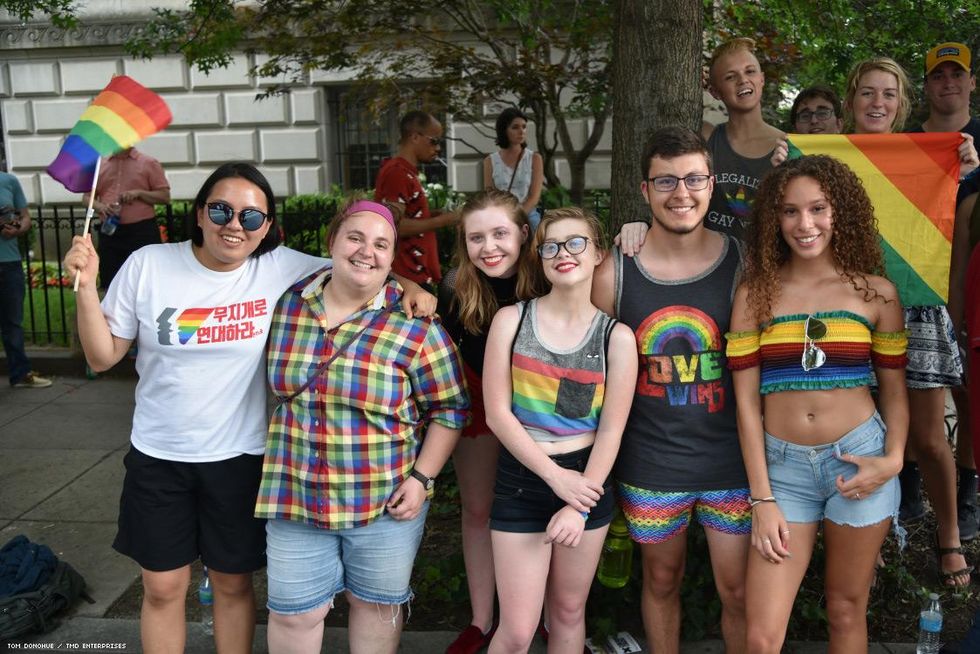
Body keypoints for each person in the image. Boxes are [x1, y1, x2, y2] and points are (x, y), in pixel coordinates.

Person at [62, 163, 435, 653]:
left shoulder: (281, 267)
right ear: (199, 214)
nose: (234, 224)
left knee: (233, 586)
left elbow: (359, 262)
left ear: (266, 227)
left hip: (240, 459)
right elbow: (101, 355)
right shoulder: (149, 264)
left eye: (251, 216)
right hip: (159, 457)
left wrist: (409, 284)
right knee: (162, 588)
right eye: (220, 209)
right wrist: (87, 287)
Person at [255, 199, 468, 654]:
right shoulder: (285, 305)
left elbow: (450, 409)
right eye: (355, 237)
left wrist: (422, 478)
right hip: (295, 494)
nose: (365, 252)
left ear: (392, 259)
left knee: (374, 608)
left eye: (380, 244)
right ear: (332, 241)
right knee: (295, 614)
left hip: (384, 500)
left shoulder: (416, 327)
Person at [727, 155, 908, 652]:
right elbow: (746, 406)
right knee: (761, 636)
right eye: (789, 211)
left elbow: (894, 394)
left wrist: (892, 460)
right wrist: (762, 499)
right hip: (782, 472)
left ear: (839, 212)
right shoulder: (754, 295)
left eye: (818, 209)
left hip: (859, 462)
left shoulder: (877, 293)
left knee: (846, 611)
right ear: (773, 219)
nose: (804, 225)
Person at [592, 126, 751, 654]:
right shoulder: (614, 271)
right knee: (661, 581)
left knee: (739, 590)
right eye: (665, 181)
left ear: (710, 184)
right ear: (644, 190)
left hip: (734, 461)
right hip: (651, 463)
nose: (681, 193)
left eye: (693, 179)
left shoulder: (742, 262)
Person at [844, 55, 978, 587]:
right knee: (858, 432)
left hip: (914, 307)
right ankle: (867, 545)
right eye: (868, 93)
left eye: (889, 94)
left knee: (926, 437)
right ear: (852, 99)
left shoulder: (925, 155)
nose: (878, 103)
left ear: (902, 105)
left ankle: (948, 539)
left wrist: (963, 164)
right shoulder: (831, 159)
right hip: (849, 310)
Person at [483, 207, 636, 654]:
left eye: (575, 243)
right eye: (551, 246)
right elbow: (497, 415)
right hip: (523, 476)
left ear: (597, 255)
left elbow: (611, 431)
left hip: (588, 478)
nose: (562, 253)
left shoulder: (616, 338)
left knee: (569, 613)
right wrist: (554, 479)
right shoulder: (511, 322)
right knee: (517, 628)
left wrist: (578, 500)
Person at [437, 189, 539, 654]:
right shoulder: (459, 285)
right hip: (479, 397)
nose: (489, 247)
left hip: (541, 404)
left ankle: (547, 620)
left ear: (523, 232)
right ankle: (482, 621)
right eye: (476, 237)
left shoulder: (547, 277)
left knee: (544, 512)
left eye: (500, 233)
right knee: (478, 509)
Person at [908, 41, 980, 542]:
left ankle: (969, 489)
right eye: (939, 75)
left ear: (972, 82)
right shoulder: (906, 141)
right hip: (919, 283)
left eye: (958, 74)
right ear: (927, 85)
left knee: (969, 389)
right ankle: (911, 488)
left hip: (971, 276)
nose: (948, 82)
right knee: (914, 390)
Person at [702, 37, 784, 241]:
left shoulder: (787, 146)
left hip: (768, 267)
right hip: (713, 266)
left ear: (762, 79)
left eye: (750, 71)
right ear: (714, 91)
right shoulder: (706, 137)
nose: (743, 80)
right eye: (730, 77)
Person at [375, 110, 460, 288]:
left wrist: (433, 214)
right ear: (415, 137)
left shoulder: (405, 171)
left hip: (415, 274)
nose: (438, 148)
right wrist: (446, 220)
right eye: (434, 141)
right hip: (407, 277)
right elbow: (394, 225)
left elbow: (407, 215)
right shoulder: (397, 172)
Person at [82, 147, 171, 289]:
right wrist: (101, 207)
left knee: (146, 279)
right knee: (111, 280)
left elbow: (165, 197)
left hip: (141, 230)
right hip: (110, 231)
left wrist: (139, 193)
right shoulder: (99, 165)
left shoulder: (148, 163)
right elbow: (87, 198)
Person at [0, 173, 51, 388]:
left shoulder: (9, 181)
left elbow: (26, 217)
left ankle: (20, 374)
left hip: (9, 262)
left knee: (13, 322)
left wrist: (18, 228)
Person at [483, 108, 544, 231]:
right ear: (504, 130)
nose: (521, 131)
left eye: (524, 127)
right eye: (515, 127)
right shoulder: (490, 161)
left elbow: (534, 197)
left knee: (535, 232)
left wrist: (515, 217)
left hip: (527, 215)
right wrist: (503, 217)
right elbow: (490, 193)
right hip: (500, 215)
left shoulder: (534, 158)